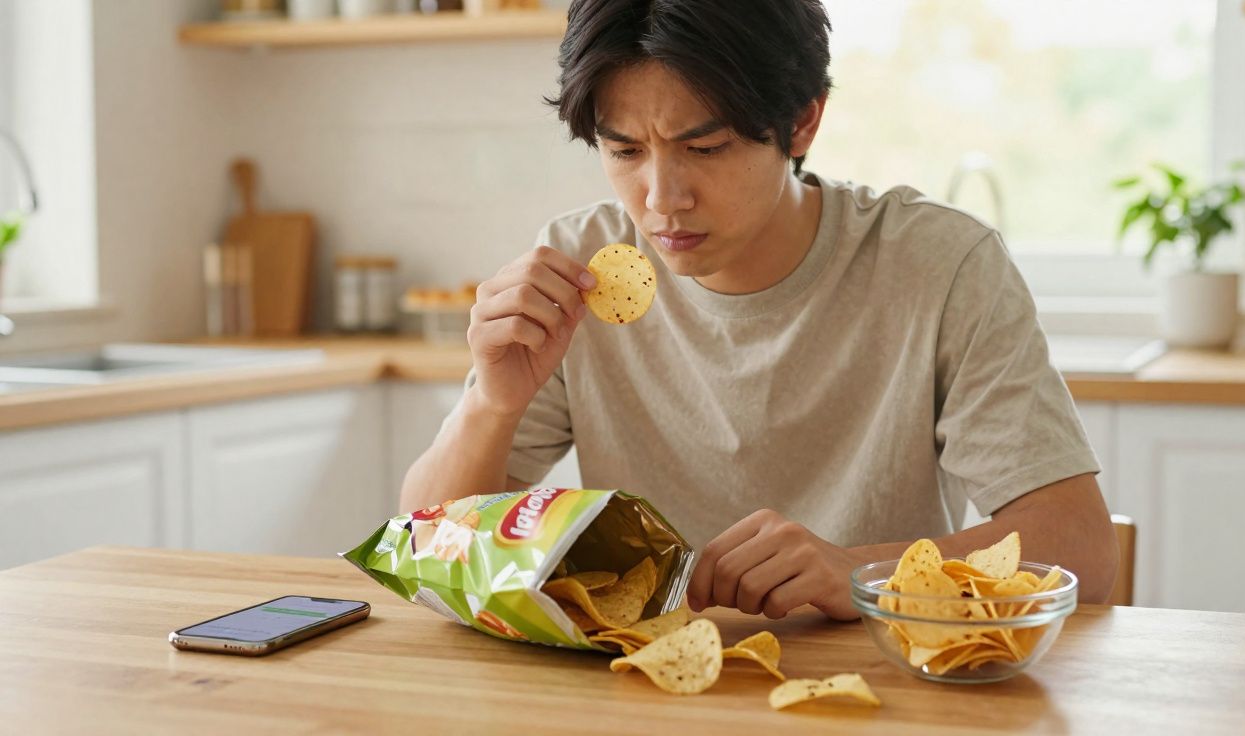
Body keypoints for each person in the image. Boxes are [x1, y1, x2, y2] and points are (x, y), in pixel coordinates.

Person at [399, 0, 1118, 620]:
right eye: (624, 151)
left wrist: (863, 572)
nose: (661, 198)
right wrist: (492, 403)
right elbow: (425, 543)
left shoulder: (939, 266)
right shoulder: (579, 263)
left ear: (802, 123)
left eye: (704, 147)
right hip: (642, 693)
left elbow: (1080, 548)